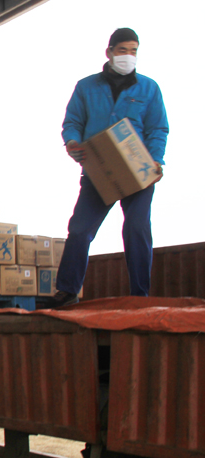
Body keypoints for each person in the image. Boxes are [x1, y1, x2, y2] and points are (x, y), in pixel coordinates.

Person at [51, 28, 168, 307]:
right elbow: (72, 122)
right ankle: (67, 291)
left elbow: (157, 129)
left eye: (133, 51)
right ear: (109, 52)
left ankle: (140, 295)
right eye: (123, 50)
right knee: (80, 229)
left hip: (138, 172)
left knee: (137, 228)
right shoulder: (86, 87)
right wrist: (72, 142)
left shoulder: (149, 88)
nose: (129, 56)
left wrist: (156, 160)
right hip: (98, 170)